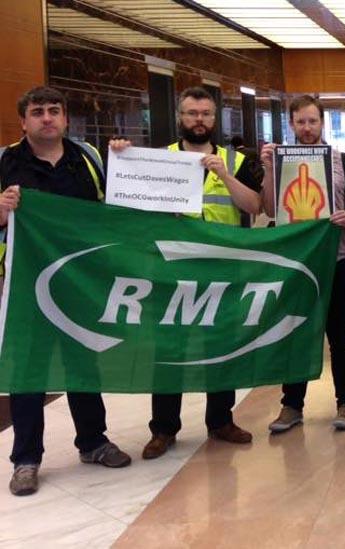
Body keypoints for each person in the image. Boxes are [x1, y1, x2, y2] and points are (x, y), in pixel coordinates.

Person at [110, 86, 263, 459]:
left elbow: (255, 207)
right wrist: (122, 158)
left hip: (223, 269)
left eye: (206, 113)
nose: (199, 120)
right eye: (192, 113)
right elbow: (131, 204)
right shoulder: (161, 159)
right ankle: (163, 428)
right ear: (181, 117)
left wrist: (225, 175)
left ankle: (220, 420)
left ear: (216, 118)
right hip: (171, 270)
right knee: (168, 348)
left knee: (221, 347)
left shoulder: (236, 160)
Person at [0, 86, 132, 496]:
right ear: (24, 121)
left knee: (83, 362)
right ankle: (26, 459)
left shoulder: (88, 159)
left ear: (65, 118)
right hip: (25, 284)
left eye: (54, 111)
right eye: (37, 112)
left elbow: (118, 205)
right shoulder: (5, 161)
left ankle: (93, 442)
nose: (46, 118)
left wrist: (127, 162)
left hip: (81, 281)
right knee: (29, 370)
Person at [260, 95, 345, 433]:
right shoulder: (280, 160)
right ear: (291, 124)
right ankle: (291, 406)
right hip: (296, 262)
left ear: (322, 123)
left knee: (340, 336)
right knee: (295, 334)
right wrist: (269, 169)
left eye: (312, 121)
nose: (307, 128)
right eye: (300, 122)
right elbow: (269, 208)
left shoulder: (343, 161)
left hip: (337, 260)